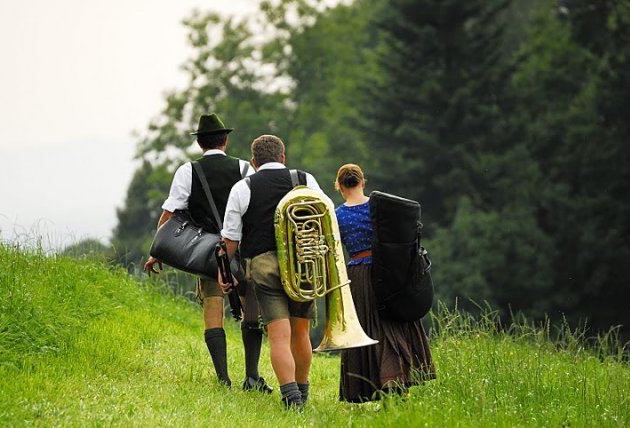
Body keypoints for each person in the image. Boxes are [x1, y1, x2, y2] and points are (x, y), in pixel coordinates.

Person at [143, 113, 272, 393]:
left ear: (200, 143)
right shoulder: (243, 169)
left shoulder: (187, 171)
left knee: (213, 312)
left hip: (208, 254)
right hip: (242, 251)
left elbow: (169, 214)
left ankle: (223, 379)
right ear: (225, 140)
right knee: (250, 312)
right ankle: (251, 376)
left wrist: (157, 252)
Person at [219, 134, 324, 409]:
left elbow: (231, 240)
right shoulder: (304, 179)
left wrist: (223, 272)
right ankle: (302, 392)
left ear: (254, 162)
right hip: (303, 266)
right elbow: (325, 217)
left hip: (263, 267)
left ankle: (291, 399)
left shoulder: (243, 187)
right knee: (300, 333)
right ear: (283, 157)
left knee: (279, 334)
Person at [334, 163, 436, 403]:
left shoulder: (337, 215)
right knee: (394, 323)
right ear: (363, 182)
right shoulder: (380, 208)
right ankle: (400, 377)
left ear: (339, 186)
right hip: (392, 271)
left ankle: (384, 383)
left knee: (370, 328)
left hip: (360, 275)